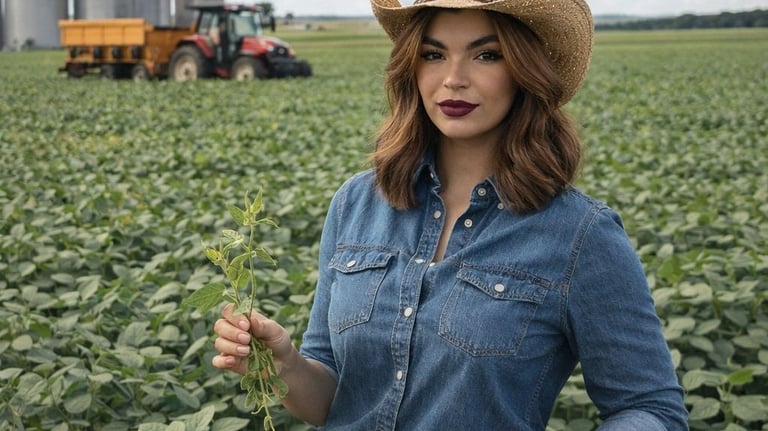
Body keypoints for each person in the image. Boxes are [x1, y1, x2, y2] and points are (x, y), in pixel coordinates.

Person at [212, 0, 689, 429]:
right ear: (412, 67)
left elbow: (649, 407)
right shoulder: (356, 204)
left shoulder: (579, 234)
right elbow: (333, 397)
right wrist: (284, 364)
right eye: (434, 54)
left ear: (525, 70)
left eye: (487, 55)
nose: (453, 78)